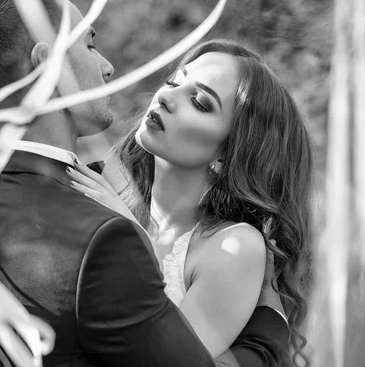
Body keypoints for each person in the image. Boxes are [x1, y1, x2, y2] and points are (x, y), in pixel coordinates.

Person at [0, 0, 289, 366]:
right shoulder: (103, 235)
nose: (107, 67)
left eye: (201, 101)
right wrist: (268, 333)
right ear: (46, 66)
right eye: (89, 45)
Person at [65, 40, 312, 366]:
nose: (165, 97)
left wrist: (129, 236)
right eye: (173, 83)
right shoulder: (99, 192)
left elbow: (165, 359)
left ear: (226, 154)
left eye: (199, 102)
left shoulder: (234, 246)